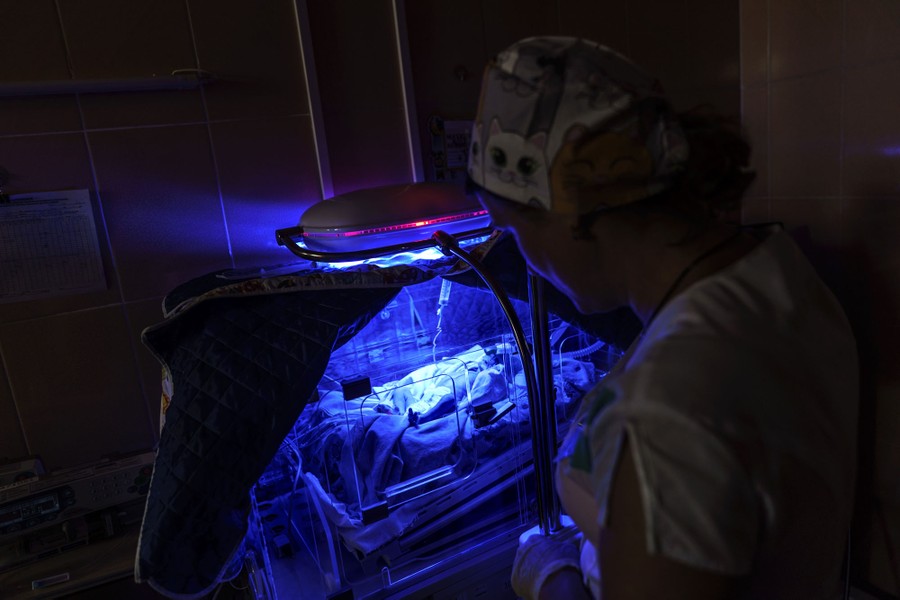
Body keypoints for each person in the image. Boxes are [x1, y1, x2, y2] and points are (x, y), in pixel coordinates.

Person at [465, 36, 859, 600]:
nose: (525, 259)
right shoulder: (774, 270)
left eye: (515, 231)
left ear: (574, 211)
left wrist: (554, 579)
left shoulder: (665, 414)